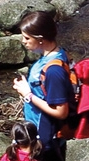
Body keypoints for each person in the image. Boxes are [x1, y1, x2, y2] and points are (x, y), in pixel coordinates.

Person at [12, 11, 75, 161]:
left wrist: (28, 95)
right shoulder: (56, 54)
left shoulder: (54, 71)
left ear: (40, 39)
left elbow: (61, 112)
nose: (23, 41)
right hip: (42, 135)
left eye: (27, 38)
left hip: (45, 141)